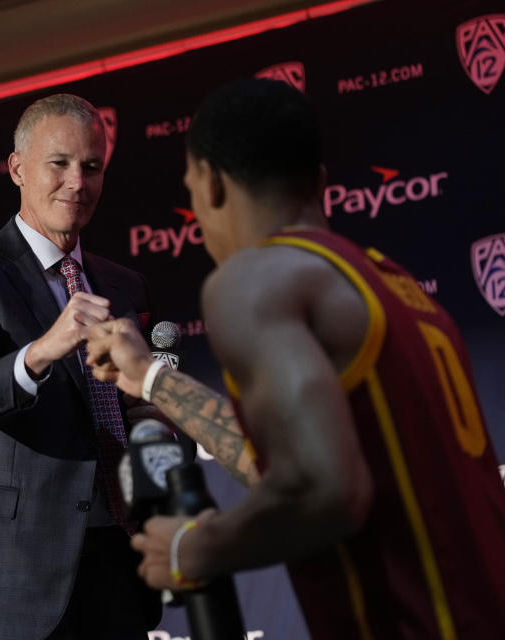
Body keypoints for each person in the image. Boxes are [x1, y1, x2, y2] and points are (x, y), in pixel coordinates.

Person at [85, 78, 505, 639]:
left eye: (190, 191)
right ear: (320, 183)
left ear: (210, 185)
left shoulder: (253, 277)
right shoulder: (394, 287)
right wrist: (151, 378)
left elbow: (325, 491)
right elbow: (290, 460)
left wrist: (193, 547)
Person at [0, 94, 161, 640]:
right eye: (59, 163)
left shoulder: (126, 284)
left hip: (120, 565)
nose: (77, 182)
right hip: (13, 572)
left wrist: (153, 415)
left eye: (92, 167)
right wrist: (42, 351)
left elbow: (137, 412)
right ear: (17, 168)